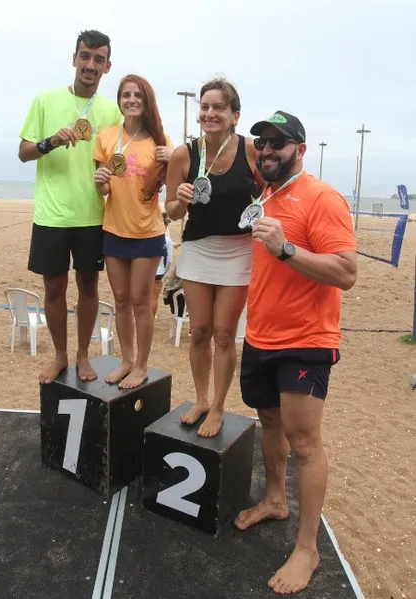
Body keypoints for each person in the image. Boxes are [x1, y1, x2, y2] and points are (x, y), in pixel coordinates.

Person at [235, 111, 358, 594]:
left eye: (278, 143)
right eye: (261, 142)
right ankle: (274, 500)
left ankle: (307, 549)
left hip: (306, 341)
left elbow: (346, 272)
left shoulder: (322, 198)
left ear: (300, 150)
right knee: (268, 423)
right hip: (261, 335)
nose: (266, 150)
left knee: (305, 444)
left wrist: (287, 250)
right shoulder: (265, 195)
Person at [18, 30, 123, 384]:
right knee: (54, 289)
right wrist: (49, 141)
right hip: (51, 214)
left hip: (92, 214)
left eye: (98, 59)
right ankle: (60, 356)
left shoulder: (112, 112)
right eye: (85, 56)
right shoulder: (45, 100)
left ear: (107, 67)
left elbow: (119, 163)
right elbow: (23, 152)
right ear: (74, 59)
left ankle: (82, 356)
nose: (90, 64)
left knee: (90, 287)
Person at [165, 77, 257, 438]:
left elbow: (269, 196)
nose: (210, 113)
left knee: (223, 333)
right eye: (205, 107)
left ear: (235, 115)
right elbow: (170, 211)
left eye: (219, 107)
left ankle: (218, 407)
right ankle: (201, 399)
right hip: (199, 249)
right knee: (199, 330)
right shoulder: (184, 155)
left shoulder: (250, 150)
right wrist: (181, 200)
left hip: (238, 251)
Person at [93, 74, 173, 389]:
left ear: (146, 100)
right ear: (120, 100)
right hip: (113, 231)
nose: (131, 100)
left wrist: (172, 162)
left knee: (142, 302)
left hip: (147, 234)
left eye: (137, 95)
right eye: (126, 95)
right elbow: (102, 189)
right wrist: (100, 183)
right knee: (121, 300)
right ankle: (126, 360)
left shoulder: (161, 141)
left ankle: (141, 365)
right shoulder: (107, 137)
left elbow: (177, 185)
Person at [151, 212, 174, 318]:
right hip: (158, 272)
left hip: (145, 271)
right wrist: (164, 271)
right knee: (154, 298)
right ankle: (151, 318)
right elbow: (169, 260)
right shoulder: (167, 240)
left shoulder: (148, 238)